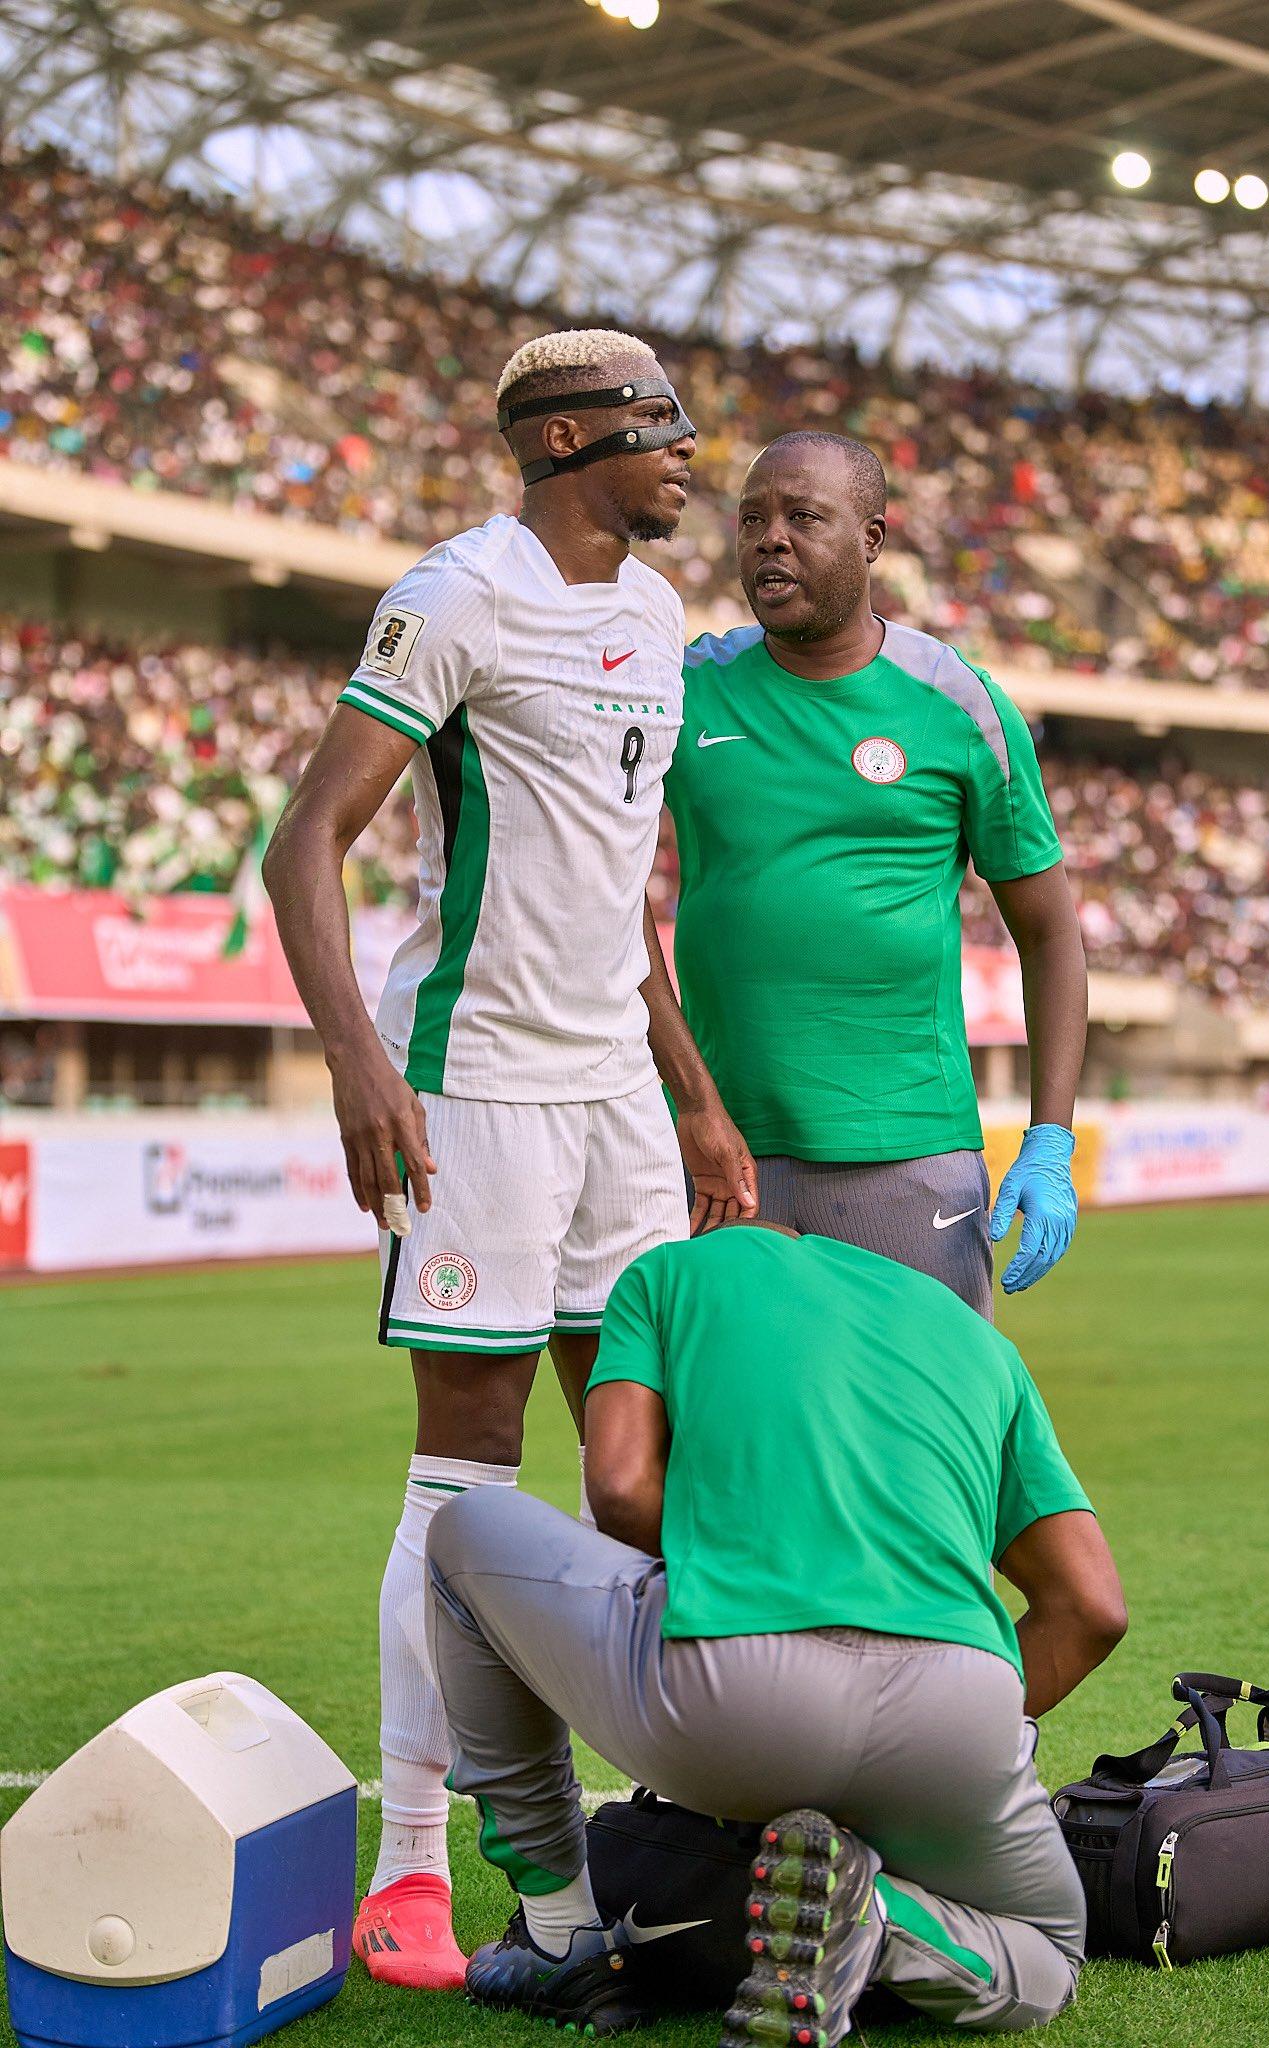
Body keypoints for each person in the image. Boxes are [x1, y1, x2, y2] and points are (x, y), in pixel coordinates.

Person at [263, 328, 756, 1990]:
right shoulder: (457, 593)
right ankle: (409, 1860)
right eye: (658, 423)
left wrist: (688, 1087)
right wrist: (358, 1061)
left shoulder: (652, 614)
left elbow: (627, 883)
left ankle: (651, 1820)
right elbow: (306, 837)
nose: (690, 452)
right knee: (465, 1469)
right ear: (562, 436)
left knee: (634, 1472)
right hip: (474, 1082)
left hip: (617, 1088)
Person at [425, 1221, 1127, 2037]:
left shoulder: (670, 1273)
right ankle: (874, 1920)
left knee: (464, 1533)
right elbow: (1092, 1610)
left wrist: (740, 1566)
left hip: (730, 1696)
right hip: (958, 1713)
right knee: (1044, 1949)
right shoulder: (970, 1333)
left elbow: (617, 1486)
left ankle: (562, 1943)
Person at [664, 432, 1089, 1317]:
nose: (769, 538)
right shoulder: (685, 690)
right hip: (721, 1156)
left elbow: (1048, 933)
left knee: (921, 1442)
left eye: (802, 518)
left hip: (907, 1154)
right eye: (751, 520)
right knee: (743, 1442)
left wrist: (1048, 1137)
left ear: (871, 539)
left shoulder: (959, 704)